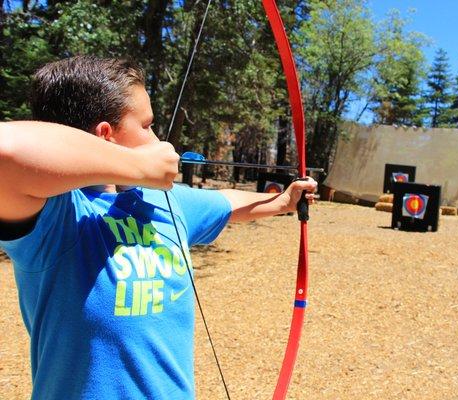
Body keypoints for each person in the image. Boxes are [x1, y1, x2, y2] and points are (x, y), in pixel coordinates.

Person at [0, 56, 317, 400]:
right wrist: (137, 164)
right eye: (147, 125)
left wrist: (284, 201)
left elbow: (226, 203)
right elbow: (6, 149)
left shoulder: (164, 203)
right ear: (106, 136)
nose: (157, 138)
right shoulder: (58, 216)